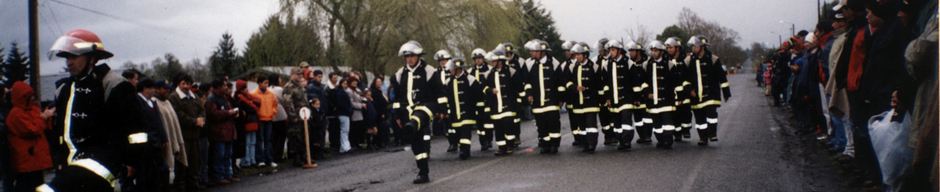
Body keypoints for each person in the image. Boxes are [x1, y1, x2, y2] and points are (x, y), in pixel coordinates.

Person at [42, 29, 152, 192]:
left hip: (102, 165)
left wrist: (133, 161)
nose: (69, 62)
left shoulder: (113, 85)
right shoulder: (64, 90)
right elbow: (62, 132)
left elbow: (137, 129)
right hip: (69, 165)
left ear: (92, 58)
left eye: (74, 56)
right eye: (67, 57)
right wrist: (60, 159)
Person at [390, 41, 445, 184]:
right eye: (407, 56)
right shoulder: (399, 74)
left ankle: (412, 125)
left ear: (419, 56)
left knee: (418, 117)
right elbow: (396, 98)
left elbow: (440, 92)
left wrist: (443, 111)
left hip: (427, 106)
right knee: (417, 144)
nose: (410, 59)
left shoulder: (429, 71)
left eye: (412, 56)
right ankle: (423, 172)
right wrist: (397, 115)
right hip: (407, 110)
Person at [7, 82, 54, 192]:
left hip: (35, 161)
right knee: (27, 187)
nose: (33, 98)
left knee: (38, 186)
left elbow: (44, 127)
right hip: (26, 162)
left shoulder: (32, 109)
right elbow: (31, 130)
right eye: (29, 96)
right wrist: (44, 117)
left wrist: (47, 117)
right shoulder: (16, 114)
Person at [125, 78, 170, 192]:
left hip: (156, 145)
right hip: (145, 147)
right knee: (144, 176)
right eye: (152, 88)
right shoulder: (136, 102)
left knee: (156, 174)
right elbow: (135, 126)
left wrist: (164, 138)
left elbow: (158, 122)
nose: (154, 91)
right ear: (145, 89)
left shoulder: (152, 102)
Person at [686, 35, 731, 146]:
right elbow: (684, 78)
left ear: (703, 46)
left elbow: (722, 78)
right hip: (696, 95)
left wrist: (726, 93)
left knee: (711, 113)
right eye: (693, 46)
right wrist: (689, 89)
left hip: (712, 94)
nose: (693, 48)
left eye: (696, 45)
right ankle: (703, 138)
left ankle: (712, 134)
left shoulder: (713, 59)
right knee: (699, 118)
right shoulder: (688, 60)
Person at [166, 73, 208, 190]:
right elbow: (178, 115)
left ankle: (193, 185)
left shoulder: (194, 96)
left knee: (194, 163)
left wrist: (200, 119)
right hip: (182, 136)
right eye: (183, 83)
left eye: (188, 83)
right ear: (179, 84)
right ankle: (180, 186)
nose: (186, 86)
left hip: (195, 135)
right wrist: (194, 121)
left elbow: (202, 110)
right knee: (182, 163)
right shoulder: (174, 97)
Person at [523, 40, 564, 154]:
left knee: (554, 123)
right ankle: (545, 146)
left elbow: (560, 82)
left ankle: (554, 145)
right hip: (537, 101)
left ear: (543, 52)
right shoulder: (530, 64)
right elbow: (526, 81)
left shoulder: (554, 63)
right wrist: (529, 93)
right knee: (541, 125)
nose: (533, 53)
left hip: (552, 101)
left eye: (535, 51)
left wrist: (560, 98)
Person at [481, 49, 522, 156]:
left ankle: (510, 145)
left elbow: (519, 87)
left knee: (508, 124)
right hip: (495, 106)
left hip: (509, 104)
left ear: (500, 61)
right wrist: (490, 90)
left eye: (493, 61)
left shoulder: (511, 71)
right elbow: (483, 88)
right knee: (498, 127)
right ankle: (501, 147)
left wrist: (518, 103)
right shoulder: (488, 74)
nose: (491, 63)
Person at [565, 42, 603, 153]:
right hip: (578, 102)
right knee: (582, 127)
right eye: (575, 55)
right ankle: (585, 144)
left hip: (591, 102)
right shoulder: (572, 67)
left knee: (591, 125)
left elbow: (599, 84)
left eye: (579, 55)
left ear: (585, 55)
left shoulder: (594, 67)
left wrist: (600, 100)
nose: (577, 57)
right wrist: (575, 87)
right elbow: (567, 82)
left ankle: (592, 144)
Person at [443, 58, 483, 159]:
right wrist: (446, 110)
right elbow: (445, 97)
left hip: (468, 111)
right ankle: (462, 148)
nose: (450, 70)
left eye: (452, 68)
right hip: (455, 113)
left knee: (466, 130)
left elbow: (478, 94)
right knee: (458, 132)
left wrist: (476, 107)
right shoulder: (448, 81)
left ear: (458, 69)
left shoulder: (470, 79)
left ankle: (465, 151)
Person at [602, 40, 638, 151]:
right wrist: (607, 97)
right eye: (610, 50)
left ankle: (627, 141)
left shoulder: (628, 63)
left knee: (626, 121)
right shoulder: (607, 64)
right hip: (614, 99)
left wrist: (636, 98)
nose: (611, 52)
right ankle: (621, 141)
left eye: (613, 50)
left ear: (619, 50)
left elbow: (635, 82)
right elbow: (605, 83)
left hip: (626, 98)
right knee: (616, 124)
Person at [643, 41, 679, 149]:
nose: (654, 53)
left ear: (662, 52)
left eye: (656, 51)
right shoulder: (647, 65)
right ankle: (660, 139)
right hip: (653, 101)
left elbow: (675, 82)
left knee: (667, 121)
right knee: (657, 125)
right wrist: (647, 93)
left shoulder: (670, 64)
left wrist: (678, 98)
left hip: (667, 100)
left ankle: (668, 140)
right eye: (652, 51)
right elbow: (643, 82)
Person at [152, 79, 187, 189]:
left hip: (172, 140)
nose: (168, 90)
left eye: (168, 88)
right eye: (164, 88)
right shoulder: (154, 102)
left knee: (170, 170)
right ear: (157, 89)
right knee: (162, 171)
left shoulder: (167, 102)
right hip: (163, 142)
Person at [204, 79, 240, 185]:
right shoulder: (212, 98)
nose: (226, 87)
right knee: (220, 155)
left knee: (228, 154)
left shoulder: (224, 97)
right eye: (224, 85)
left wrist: (234, 113)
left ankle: (228, 174)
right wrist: (228, 113)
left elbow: (228, 110)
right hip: (219, 131)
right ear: (218, 86)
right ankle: (219, 176)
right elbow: (213, 114)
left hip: (228, 130)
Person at [283, 68, 318, 167]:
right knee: (296, 137)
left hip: (304, 116)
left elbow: (305, 101)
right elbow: (288, 103)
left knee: (304, 136)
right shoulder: (289, 87)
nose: (300, 76)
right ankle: (296, 158)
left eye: (300, 74)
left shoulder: (300, 86)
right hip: (296, 116)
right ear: (292, 75)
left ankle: (305, 156)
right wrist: (292, 116)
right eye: (297, 74)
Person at [665, 37, 694, 141]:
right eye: (668, 48)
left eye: (671, 47)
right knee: (674, 114)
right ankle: (677, 133)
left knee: (686, 112)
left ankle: (686, 130)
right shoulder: (667, 60)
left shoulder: (685, 60)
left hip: (685, 92)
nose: (669, 50)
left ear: (677, 48)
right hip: (673, 93)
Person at [592, 38, 618, 146]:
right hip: (600, 95)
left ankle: (614, 135)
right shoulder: (595, 61)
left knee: (613, 115)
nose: (599, 51)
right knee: (603, 117)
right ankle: (607, 136)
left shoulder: (612, 61)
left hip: (611, 94)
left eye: (600, 49)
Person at [627, 40, 653, 144]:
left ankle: (647, 135)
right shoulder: (629, 64)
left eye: (632, 51)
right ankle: (641, 136)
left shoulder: (647, 62)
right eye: (629, 51)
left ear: (638, 52)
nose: (630, 53)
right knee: (637, 119)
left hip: (645, 95)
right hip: (635, 96)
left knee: (647, 117)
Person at [467, 48, 493, 150]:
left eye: (480, 58)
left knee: (488, 121)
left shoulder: (489, 69)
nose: (478, 60)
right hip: (476, 101)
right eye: (476, 58)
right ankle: (483, 142)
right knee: (480, 122)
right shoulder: (470, 71)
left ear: (483, 58)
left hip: (487, 99)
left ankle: (489, 140)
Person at [250, 75, 278, 167]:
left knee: (268, 140)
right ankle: (261, 159)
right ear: (259, 83)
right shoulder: (254, 94)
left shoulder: (270, 93)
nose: (267, 85)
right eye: (265, 83)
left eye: (267, 83)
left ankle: (269, 159)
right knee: (259, 139)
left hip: (269, 118)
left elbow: (275, 104)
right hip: (260, 119)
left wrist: (272, 112)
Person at [432, 50, 457, 152]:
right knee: (447, 125)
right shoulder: (436, 72)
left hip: (452, 100)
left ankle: (456, 142)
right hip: (442, 102)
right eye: (441, 61)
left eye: (444, 60)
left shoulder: (452, 71)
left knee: (454, 122)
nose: (442, 62)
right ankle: (452, 143)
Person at [235, 80, 260, 168]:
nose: (247, 89)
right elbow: (253, 107)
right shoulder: (239, 97)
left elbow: (258, 102)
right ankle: (246, 161)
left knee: (252, 143)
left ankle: (252, 160)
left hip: (252, 121)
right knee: (247, 143)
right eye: (244, 88)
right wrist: (254, 105)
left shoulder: (248, 96)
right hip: (246, 122)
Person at [269, 75, 290, 162]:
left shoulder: (268, 89)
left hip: (270, 115)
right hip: (280, 114)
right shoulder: (279, 89)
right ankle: (278, 155)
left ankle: (273, 154)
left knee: (273, 137)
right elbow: (284, 100)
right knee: (281, 136)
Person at [369, 77, 390, 149]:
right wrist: (381, 113)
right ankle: (377, 143)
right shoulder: (374, 92)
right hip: (378, 113)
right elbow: (377, 104)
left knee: (382, 128)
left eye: (380, 81)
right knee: (378, 128)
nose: (379, 83)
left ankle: (381, 142)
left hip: (383, 112)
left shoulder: (380, 91)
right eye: (378, 81)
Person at [347, 76, 366, 150]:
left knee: (358, 129)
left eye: (356, 82)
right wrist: (360, 105)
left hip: (359, 113)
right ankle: (353, 143)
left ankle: (357, 143)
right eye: (353, 82)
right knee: (354, 129)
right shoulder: (349, 91)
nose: (355, 83)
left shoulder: (356, 90)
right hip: (354, 112)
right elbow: (351, 103)